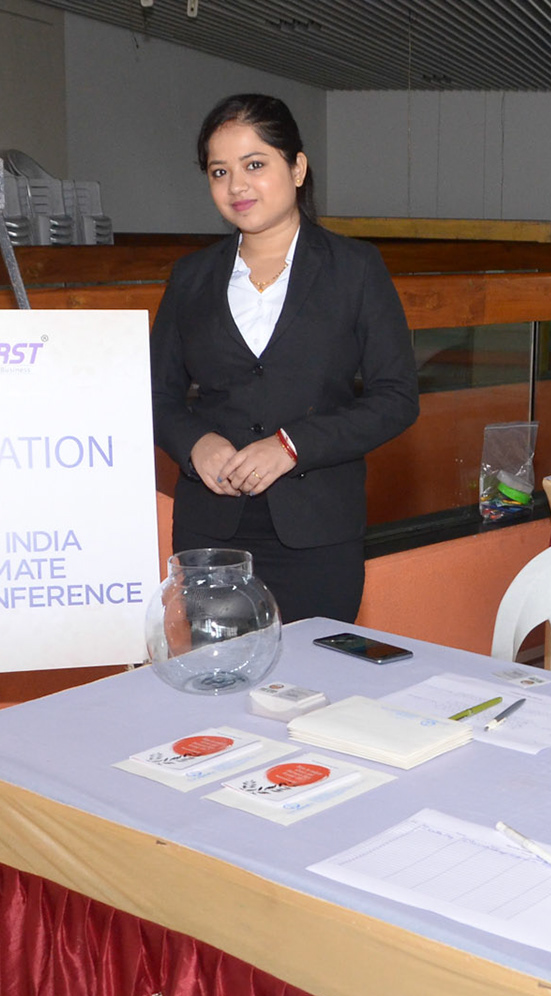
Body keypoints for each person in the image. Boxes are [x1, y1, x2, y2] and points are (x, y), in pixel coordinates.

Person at [151, 94, 418, 622]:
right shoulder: (191, 277)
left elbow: (397, 398)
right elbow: (154, 394)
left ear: (297, 168)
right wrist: (194, 443)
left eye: (255, 165)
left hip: (317, 531)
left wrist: (291, 447)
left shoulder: (355, 268)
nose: (236, 186)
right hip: (212, 530)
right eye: (219, 171)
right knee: (215, 688)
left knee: (313, 692)